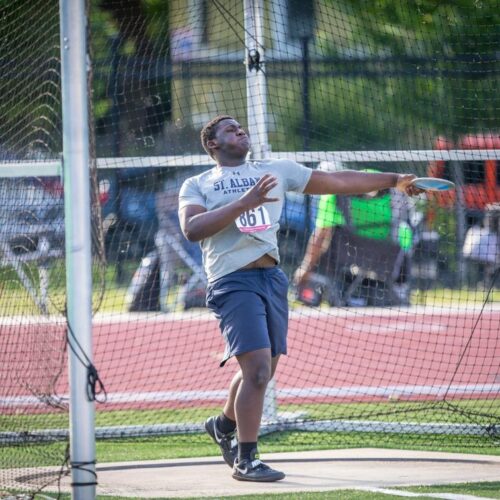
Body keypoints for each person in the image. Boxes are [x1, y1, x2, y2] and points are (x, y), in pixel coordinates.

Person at [178, 115, 421, 482]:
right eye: (230, 129)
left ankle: (223, 424)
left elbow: (338, 181)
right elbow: (193, 229)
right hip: (231, 281)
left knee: (263, 371)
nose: (240, 131)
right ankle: (247, 459)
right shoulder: (197, 184)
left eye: (241, 127)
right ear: (212, 144)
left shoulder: (275, 170)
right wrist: (245, 202)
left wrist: (393, 180)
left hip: (271, 278)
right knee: (258, 371)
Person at [294, 164, 414, 306]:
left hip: (352, 252)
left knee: (328, 236)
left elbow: (321, 233)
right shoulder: (380, 178)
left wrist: (305, 268)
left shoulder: (331, 193)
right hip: (389, 253)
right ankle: (400, 288)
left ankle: (329, 292)